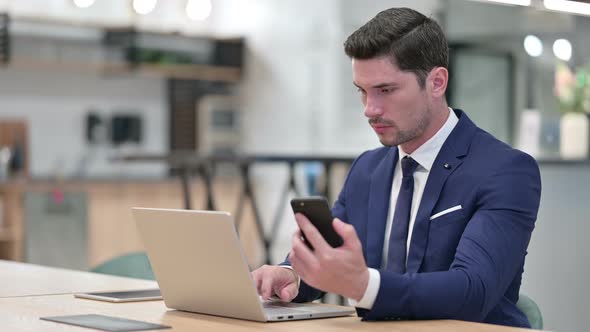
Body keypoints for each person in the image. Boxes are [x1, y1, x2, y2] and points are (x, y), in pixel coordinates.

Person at [252, 7, 541, 328]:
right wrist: (289, 274)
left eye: (385, 90)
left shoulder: (505, 171)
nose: (369, 110)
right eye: (362, 91)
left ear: (437, 82)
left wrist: (363, 286)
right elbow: (332, 264)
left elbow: (473, 291)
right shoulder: (367, 169)